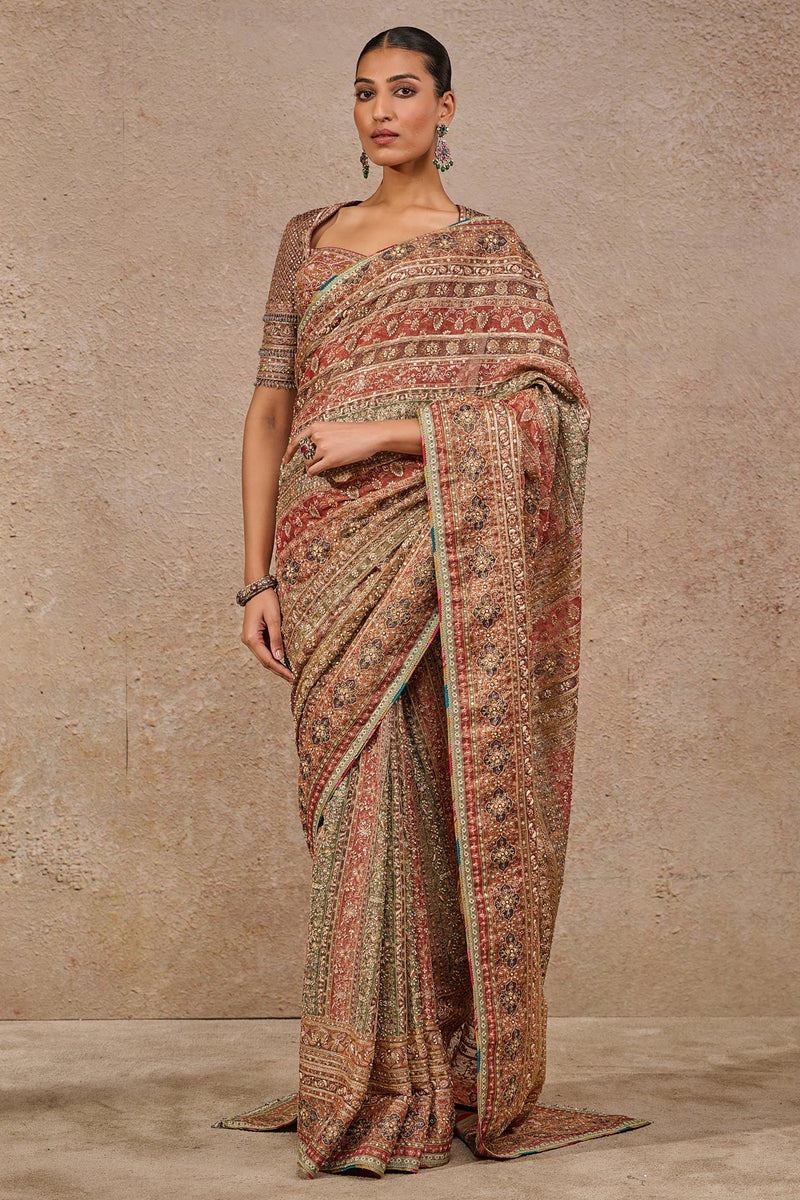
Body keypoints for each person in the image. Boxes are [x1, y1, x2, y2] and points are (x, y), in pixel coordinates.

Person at [216, 25, 647, 1178]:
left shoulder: (489, 249)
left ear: (446, 107)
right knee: (352, 813)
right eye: (364, 92)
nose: (381, 111)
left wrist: (390, 434)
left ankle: (412, 1079)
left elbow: (549, 419)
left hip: (436, 551)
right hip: (325, 560)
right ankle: (358, 1072)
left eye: (403, 90)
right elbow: (269, 409)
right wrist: (256, 575)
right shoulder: (307, 240)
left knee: (421, 808)